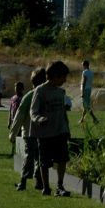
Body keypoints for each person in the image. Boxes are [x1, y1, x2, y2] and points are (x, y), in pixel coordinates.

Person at [29, 60, 72, 197]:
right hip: (45, 133)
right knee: (45, 161)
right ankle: (46, 187)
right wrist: (39, 119)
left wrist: (67, 128)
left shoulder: (61, 92)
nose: (65, 80)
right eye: (63, 77)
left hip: (60, 131)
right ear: (54, 76)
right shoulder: (40, 91)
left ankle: (60, 186)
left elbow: (63, 113)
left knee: (62, 159)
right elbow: (33, 111)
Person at [9, 68, 46, 191]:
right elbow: (20, 115)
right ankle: (31, 181)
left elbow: (18, 116)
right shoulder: (38, 95)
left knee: (31, 157)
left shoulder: (29, 96)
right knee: (37, 157)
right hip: (34, 133)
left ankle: (26, 181)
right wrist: (13, 133)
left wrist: (13, 133)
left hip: (30, 132)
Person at [78, 59, 99, 125]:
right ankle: (82, 120)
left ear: (85, 65)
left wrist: (82, 93)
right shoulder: (91, 72)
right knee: (85, 106)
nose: (82, 66)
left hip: (85, 90)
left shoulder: (85, 72)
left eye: (83, 65)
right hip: (89, 89)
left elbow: (84, 82)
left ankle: (95, 119)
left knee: (86, 106)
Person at [7, 81, 25, 157]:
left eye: (19, 88)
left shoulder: (24, 98)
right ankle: (13, 151)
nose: (17, 89)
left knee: (20, 137)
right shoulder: (13, 98)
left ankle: (19, 152)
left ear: (22, 89)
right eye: (16, 87)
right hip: (13, 120)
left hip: (20, 121)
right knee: (13, 136)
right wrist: (9, 121)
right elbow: (10, 110)